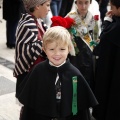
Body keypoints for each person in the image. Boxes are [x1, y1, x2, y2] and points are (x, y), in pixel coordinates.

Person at [17, 26, 98, 120]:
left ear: (69, 49)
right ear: (44, 50)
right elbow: (29, 108)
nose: (57, 54)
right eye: (51, 49)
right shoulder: (38, 71)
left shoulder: (75, 74)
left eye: (62, 49)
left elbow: (81, 111)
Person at [14, 0, 51, 101]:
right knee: (30, 106)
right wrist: (46, 45)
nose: (49, 9)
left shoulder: (38, 21)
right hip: (29, 75)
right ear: (37, 6)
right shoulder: (27, 24)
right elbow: (26, 53)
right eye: (47, 5)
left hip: (37, 73)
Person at [92, 0, 120, 120]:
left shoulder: (114, 28)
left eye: (112, 7)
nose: (111, 10)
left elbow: (103, 41)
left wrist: (107, 23)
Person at [66, 0, 100, 91]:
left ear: (90, 3)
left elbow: (95, 36)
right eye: (80, 3)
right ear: (76, 3)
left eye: (86, 3)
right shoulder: (70, 16)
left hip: (88, 53)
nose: (83, 6)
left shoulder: (92, 17)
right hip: (74, 54)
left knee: (87, 77)